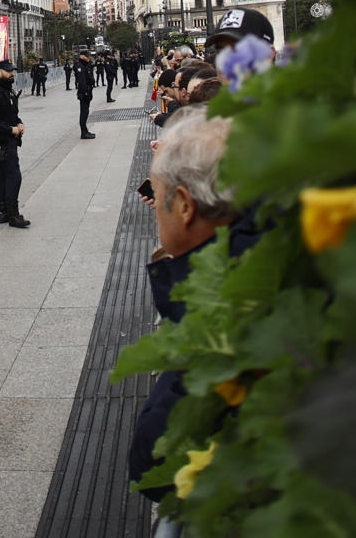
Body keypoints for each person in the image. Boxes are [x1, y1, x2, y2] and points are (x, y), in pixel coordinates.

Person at [128, 110, 254, 505]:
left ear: (184, 205)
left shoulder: (223, 307)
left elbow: (155, 462)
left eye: (158, 193)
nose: (155, 205)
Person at [0, 59, 28, 227]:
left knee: (3, 175)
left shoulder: (6, 91)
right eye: (8, 71)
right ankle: (13, 215)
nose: (12, 74)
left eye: (12, 71)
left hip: (9, 139)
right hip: (3, 140)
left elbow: (11, 114)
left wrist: (19, 123)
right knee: (13, 176)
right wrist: (11, 130)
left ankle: (3, 213)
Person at [74, 53, 96, 140]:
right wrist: (85, 92)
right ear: (82, 57)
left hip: (88, 91)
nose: (88, 58)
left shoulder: (85, 65)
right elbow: (82, 81)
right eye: (87, 57)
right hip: (84, 92)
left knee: (85, 112)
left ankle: (85, 130)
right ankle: (83, 132)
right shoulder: (80, 67)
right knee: (84, 112)